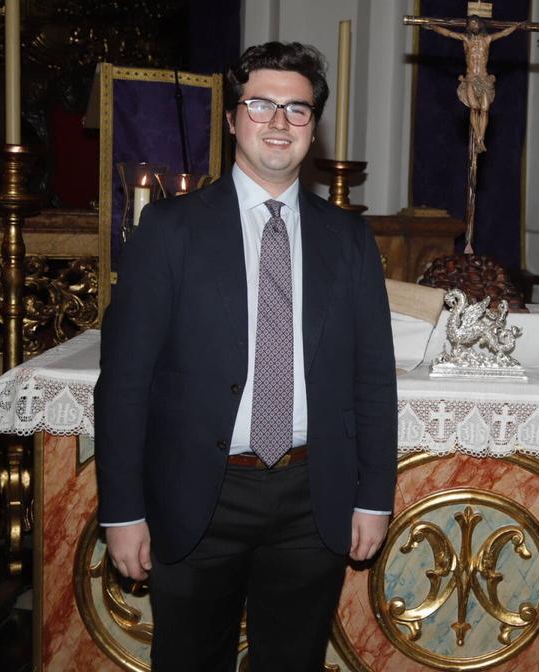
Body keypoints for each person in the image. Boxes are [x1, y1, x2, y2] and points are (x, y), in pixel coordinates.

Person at [95, 41, 398, 671]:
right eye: (261, 105)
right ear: (232, 118)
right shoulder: (170, 230)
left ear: (314, 126)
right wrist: (122, 511)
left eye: (298, 109)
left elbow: (372, 376)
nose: (279, 123)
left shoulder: (348, 239)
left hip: (311, 495)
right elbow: (125, 382)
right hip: (197, 492)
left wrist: (374, 495)